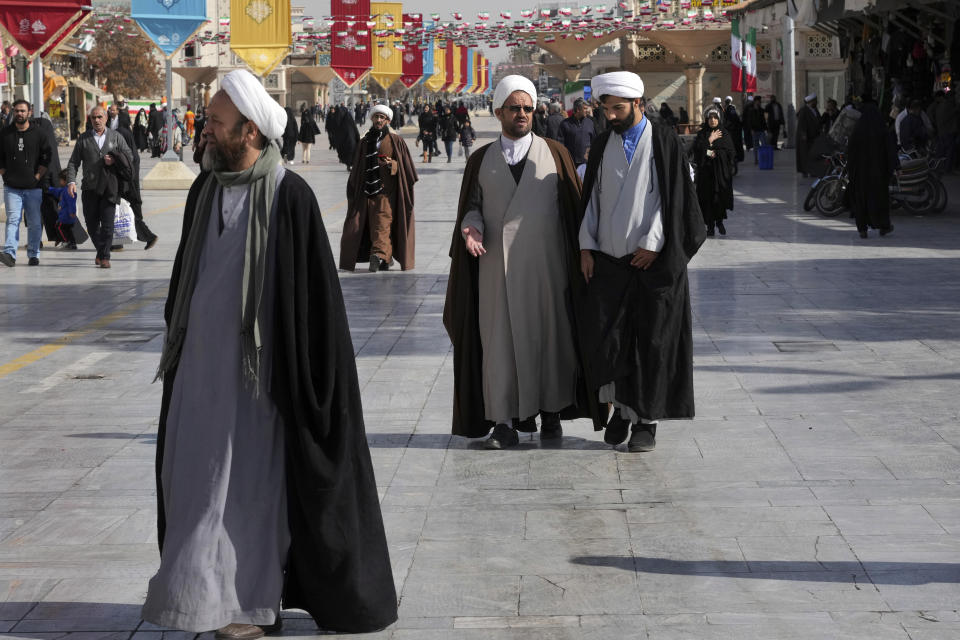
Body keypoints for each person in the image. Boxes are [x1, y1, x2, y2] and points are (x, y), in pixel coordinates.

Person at [143, 68, 397, 637]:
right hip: (198, 376)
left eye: (216, 122)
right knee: (194, 488)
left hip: (258, 383)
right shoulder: (205, 190)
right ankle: (200, 599)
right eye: (208, 120)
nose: (205, 131)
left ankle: (248, 607)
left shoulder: (290, 196)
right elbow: (188, 278)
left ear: (251, 131)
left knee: (247, 494)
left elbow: (315, 306)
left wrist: (308, 386)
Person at [443, 75, 599, 449]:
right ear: (498, 112)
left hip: (547, 271)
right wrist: (471, 228)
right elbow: (472, 208)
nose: (523, 114)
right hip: (496, 271)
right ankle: (502, 421)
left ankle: (550, 413)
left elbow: (576, 213)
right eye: (514, 108)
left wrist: (585, 258)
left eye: (528, 108)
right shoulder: (481, 159)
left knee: (549, 341)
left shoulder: (556, 153)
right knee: (498, 346)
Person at [577, 71, 706, 452]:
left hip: (653, 263)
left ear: (638, 103)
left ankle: (646, 421)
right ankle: (621, 409)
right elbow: (591, 203)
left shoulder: (664, 141)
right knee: (612, 341)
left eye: (618, 109)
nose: (611, 116)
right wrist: (586, 247)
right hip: (610, 263)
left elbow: (675, 201)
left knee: (651, 342)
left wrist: (654, 244)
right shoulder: (602, 145)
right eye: (606, 109)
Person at [340, 104, 418, 273]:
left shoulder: (396, 141)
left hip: (386, 193)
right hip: (365, 192)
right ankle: (385, 258)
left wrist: (393, 165)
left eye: (382, 118)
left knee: (382, 225)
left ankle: (378, 255)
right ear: (372, 119)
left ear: (388, 120)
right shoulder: (364, 141)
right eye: (376, 117)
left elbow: (406, 168)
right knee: (359, 226)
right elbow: (358, 166)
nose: (379, 120)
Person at [65, 106, 134, 268]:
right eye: (94, 117)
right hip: (90, 188)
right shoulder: (84, 139)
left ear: (106, 118)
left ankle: (105, 257)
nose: (97, 120)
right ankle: (100, 251)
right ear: (90, 120)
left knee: (108, 225)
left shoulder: (116, 137)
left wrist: (115, 160)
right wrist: (71, 182)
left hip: (110, 187)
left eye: (100, 117)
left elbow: (130, 156)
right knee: (92, 224)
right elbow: (73, 162)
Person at [0, 99, 53, 267]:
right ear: (13, 112)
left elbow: (47, 156)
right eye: (16, 111)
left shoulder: (39, 133)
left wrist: (37, 176)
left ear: (29, 112)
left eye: (23, 111)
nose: (19, 114)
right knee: (13, 219)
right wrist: (4, 174)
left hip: (33, 188)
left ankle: (33, 254)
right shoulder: (5, 133)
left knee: (34, 221)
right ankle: (9, 253)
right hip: (12, 187)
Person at [846, 99, 895, 239]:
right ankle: (884, 226)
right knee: (880, 200)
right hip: (878, 174)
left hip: (860, 175)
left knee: (861, 200)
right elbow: (890, 150)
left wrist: (852, 170)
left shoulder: (857, 130)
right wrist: (893, 167)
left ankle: (862, 229)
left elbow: (851, 153)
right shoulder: (882, 130)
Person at [692, 106, 735, 236]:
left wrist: (715, 153)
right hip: (706, 175)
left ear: (719, 119)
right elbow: (698, 150)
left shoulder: (724, 133)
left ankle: (719, 222)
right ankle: (710, 226)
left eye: (715, 118)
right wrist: (710, 140)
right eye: (710, 118)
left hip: (720, 174)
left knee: (718, 198)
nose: (712, 120)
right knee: (707, 199)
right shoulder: (702, 134)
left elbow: (730, 152)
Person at [557, 97, 596, 166]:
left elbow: (594, 142)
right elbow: (560, 144)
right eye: (585, 108)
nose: (587, 110)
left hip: (586, 163)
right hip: (571, 163)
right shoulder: (565, 124)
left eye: (587, 108)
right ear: (578, 109)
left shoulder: (590, 122)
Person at [49, 170, 79, 249]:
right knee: (68, 230)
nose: (59, 181)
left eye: (60, 180)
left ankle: (66, 241)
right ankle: (73, 243)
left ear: (65, 181)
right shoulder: (64, 190)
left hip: (66, 216)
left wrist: (72, 212)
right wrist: (49, 189)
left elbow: (71, 202)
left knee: (59, 227)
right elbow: (56, 191)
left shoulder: (69, 191)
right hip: (67, 216)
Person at [796, 93, 821, 177]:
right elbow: (802, 124)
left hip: (814, 137)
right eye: (815, 101)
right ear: (811, 101)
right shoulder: (804, 110)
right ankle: (805, 171)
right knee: (805, 155)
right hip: (806, 138)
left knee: (813, 155)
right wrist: (804, 136)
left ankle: (812, 170)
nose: (816, 102)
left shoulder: (814, 110)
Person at [333, 106, 359, 170]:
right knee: (350, 153)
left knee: (348, 153)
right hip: (351, 142)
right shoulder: (350, 122)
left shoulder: (342, 122)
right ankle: (350, 165)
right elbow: (356, 131)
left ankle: (348, 165)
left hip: (347, 142)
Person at [723, 96, 744, 164]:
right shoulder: (728, 108)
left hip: (734, 130)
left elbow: (733, 119)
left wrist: (727, 126)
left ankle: (736, 157)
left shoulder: (731, 108)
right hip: (733, 130)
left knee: (735, 144)